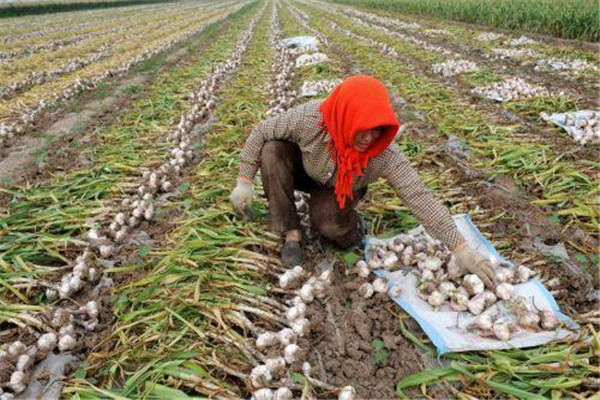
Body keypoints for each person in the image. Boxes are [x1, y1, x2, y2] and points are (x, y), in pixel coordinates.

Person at [230, 75, 495, 287]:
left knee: (329, 225)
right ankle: (292, 234)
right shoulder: (312, 119)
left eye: (377, 128)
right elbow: (261, 131)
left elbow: (419, 197)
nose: (370, 137)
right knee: (272, 150)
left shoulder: (384, 155)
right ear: (347, 116)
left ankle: (352, 225)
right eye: (363, 127)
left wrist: (460, 248)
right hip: (306, 169)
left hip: (341, 187)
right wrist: (244, 180)